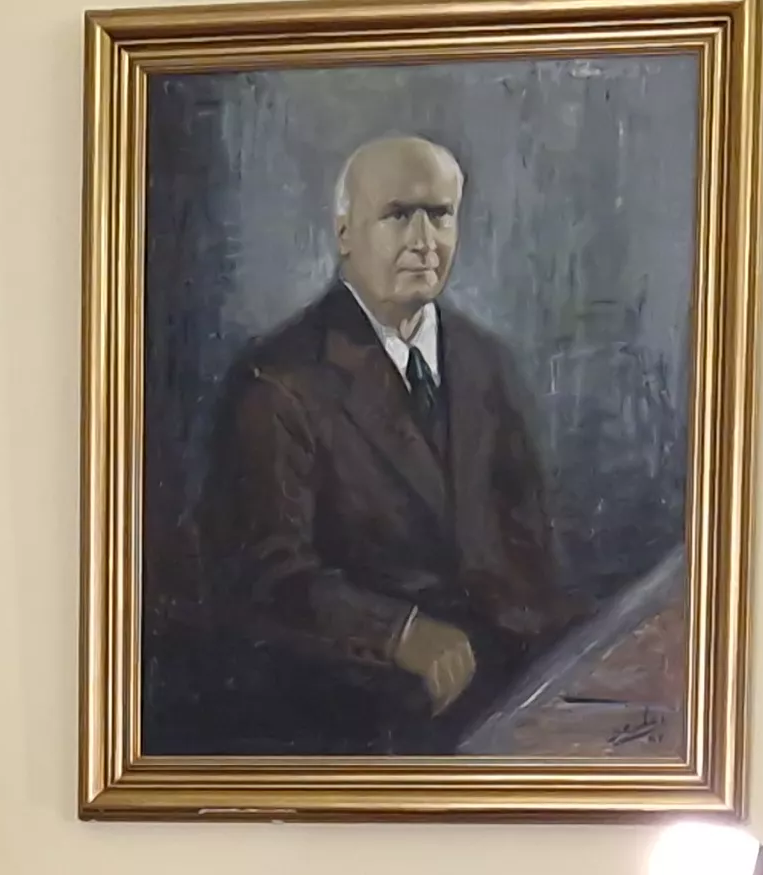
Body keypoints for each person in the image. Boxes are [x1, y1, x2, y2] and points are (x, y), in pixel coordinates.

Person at [194, 134, 575, 753]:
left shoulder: (487, 365)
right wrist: (400, 633)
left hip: (502, 700)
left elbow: (530, 553)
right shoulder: (278, 382)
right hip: (357, 717)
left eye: (440, 215)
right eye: (398, 216)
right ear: (345, 233)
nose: (425, 242)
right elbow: (265, 575)